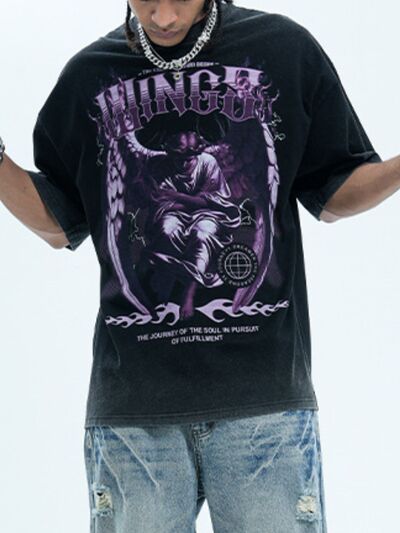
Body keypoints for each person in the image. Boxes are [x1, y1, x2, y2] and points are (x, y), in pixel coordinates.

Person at [0, 1, 398, 531]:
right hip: (134, 413)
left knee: (206, 230)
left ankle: (202, 275)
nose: (163, 16)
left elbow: (334, 191)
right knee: (168, 226)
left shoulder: (283, 50)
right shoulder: (87, 77)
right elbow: (60, 222)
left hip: (263, 405)